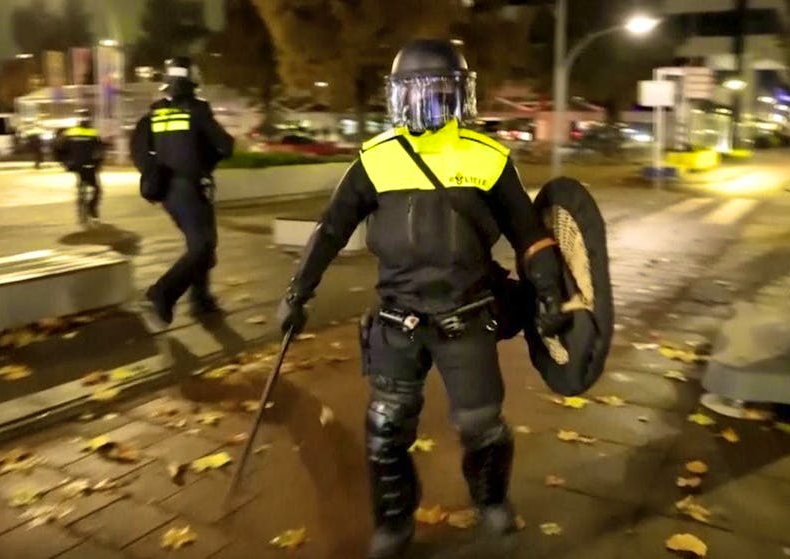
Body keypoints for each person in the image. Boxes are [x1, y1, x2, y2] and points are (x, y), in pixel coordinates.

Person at [275, 39, 571, 558]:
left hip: (468, 316)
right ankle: (393, 521)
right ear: (397, 99)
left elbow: (530, 235)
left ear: (459, 97)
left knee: (483, 428)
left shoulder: (488, 158)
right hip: (397, 321)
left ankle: (491, 500)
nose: (425, 106)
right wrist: (298, 291)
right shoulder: (375, 159)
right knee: (385, 430)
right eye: (415, 94)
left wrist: (549, 293)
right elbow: (330, 230)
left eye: (437, 94)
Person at [131, 55, 235, 324]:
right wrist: (206, 161)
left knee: (200, 243)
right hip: (190, 188)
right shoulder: (197, 110)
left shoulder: (154, 113)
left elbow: (139, 149)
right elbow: (225, 146)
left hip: (166, 191)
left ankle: (201, 300)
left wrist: (153, 172)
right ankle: (161, 293)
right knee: (203, 246)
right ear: (192, 80)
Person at [58, 110, 105, 225]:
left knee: (81, 183)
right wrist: (98, 164)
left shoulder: (70, 132)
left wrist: (65, 163)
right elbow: (100, 150)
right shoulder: (93, 133)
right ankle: (92, 209)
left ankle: (81, 202)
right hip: (89, 165)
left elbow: (59, 149)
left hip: (75, 166)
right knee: (97, 189)